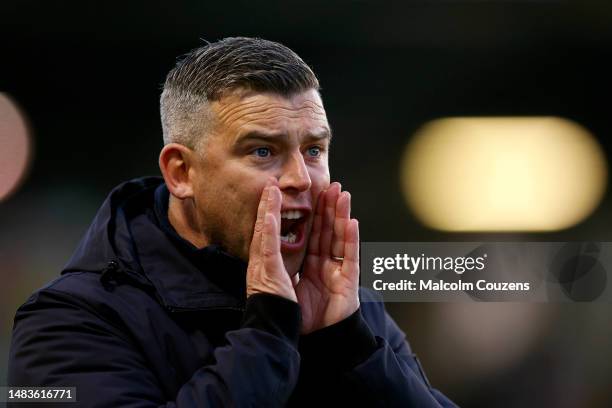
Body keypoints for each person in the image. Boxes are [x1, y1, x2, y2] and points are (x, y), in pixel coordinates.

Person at [8, 37, 457, 407]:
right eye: (263, 151)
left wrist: (346, 348)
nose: (300, 178)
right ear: (182, 173)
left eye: (314, 150)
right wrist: (268, 330)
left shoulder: (348, 312)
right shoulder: (65, 322)